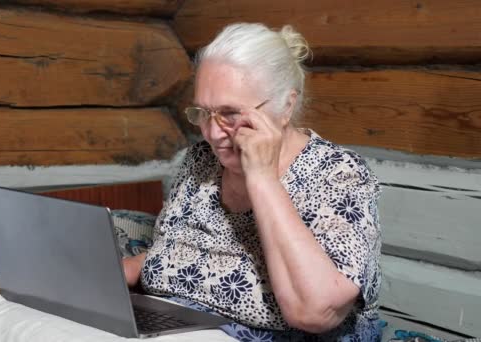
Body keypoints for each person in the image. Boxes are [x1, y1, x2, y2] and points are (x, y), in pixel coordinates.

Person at [122, 23, 382, 341]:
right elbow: (173, 253)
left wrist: (261, 175)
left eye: (230, 113)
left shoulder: (340, 175)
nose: (213, 133)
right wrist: (121, 270)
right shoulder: (200, 160)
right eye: (203, 112)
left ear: (286, 106)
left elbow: (315, 312)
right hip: (177, 327)